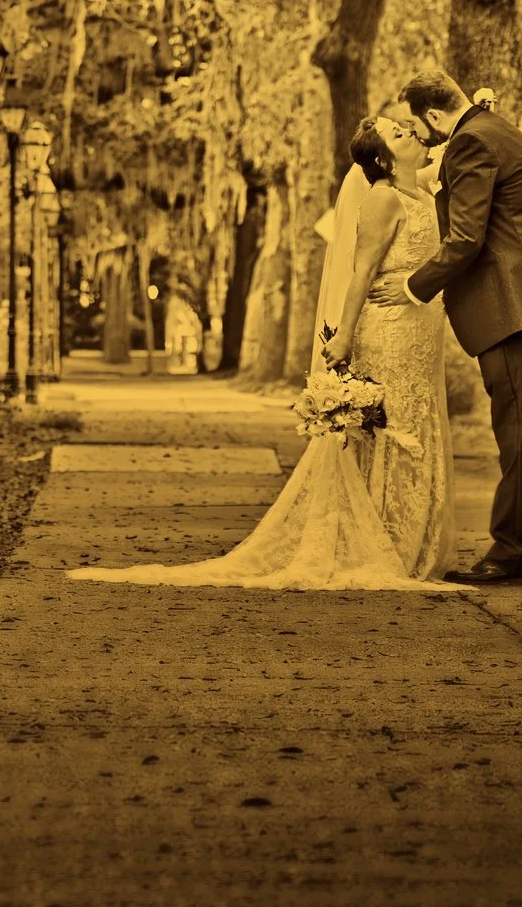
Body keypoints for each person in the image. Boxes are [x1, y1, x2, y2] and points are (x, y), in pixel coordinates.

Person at [66, 113, 464, 591]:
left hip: (420, 332)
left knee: (417, 421)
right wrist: (343, 335)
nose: (413, 135)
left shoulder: (420, 193)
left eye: (409, 130)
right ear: (382, 158)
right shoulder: (382, 200)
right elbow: (361, 273)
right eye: (400, 134)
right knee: (391, 428)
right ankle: (385, 543)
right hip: (388, 331)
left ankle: (412, 542)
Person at [396, 69, 522, 587]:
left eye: (417, 124)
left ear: (434, 114)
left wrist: (412, 287)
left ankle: (512, 553)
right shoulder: (501, 130)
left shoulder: (469, 144)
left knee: (519, 434)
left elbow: (466, 239)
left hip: (511, 307)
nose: (420, 135)